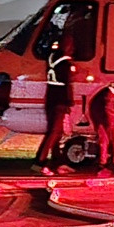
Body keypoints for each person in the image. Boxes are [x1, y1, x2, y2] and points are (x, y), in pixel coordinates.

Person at [33, 38, 76, 173]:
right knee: (55, 132)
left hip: (50, 97)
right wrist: (69, 100)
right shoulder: (65, 63)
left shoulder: (51, 58)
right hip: (60, 99)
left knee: (55, 133)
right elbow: (67, 83)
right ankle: (40, 162)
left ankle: (58, 161)